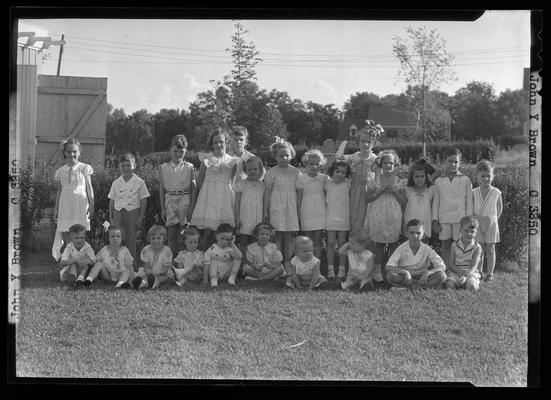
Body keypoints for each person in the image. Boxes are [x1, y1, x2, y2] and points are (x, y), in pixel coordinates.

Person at [191, 128, 239, 251]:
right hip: (208, 199)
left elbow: (232, 181)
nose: (218, 145)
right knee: (207, 233)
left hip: (224, 199)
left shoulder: (232, 161)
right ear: (212, 144)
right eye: (215, 142)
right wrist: (204, 198)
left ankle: (225, 262)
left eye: (221, 142)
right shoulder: (206, 159)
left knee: (225, 232)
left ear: (226, 142)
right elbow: (200, 180)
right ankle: (205, 261)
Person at [364, 150, 408, 283]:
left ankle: (391, 268)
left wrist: (396, 192)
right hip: (378, 215)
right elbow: (367, 198)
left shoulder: (399, 181)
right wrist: (377, 192)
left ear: (395, 164)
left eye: (391, 163)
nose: (388, 165)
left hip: (393, 215)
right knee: (378, 244)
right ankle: (377, 271)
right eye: (385, 162)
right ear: (380, 164)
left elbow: (404, 200)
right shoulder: (374, 180)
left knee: (394, 242)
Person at [263, 137, 301, 286]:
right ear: (275, 157)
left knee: (289, 236)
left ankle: (288, 263)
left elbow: (299, 193)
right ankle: (278, 264)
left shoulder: (296, 172)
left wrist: (298, 210)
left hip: (290, 206)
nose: (284, 158)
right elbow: (267, 191)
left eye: (287, 155)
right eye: (280, 156)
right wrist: (265, 210)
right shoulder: (271, 172)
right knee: (277, 235)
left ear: (291, 155)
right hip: (276, 206)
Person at [52, 138, 94, 261]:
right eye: (69, 152)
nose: (72, 154)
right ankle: (68, 256)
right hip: (65, 203)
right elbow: (59, 190)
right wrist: (56, 208)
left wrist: (91, 205)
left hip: (80, 203)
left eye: (75, 151)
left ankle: (80, 255)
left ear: (79, 152)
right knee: (65, 229)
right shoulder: (61, 171)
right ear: (65, 153)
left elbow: (89, 187)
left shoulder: (84, 168)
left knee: (79, 229)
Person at [432, 147, 473, 270]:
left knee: (459, 246)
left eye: (456, 162)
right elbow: (436, 202)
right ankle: (445, 269)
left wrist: (469, 219)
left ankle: (460, 269)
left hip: (460, 219)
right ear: (444, 161)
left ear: (460, 163)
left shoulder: (466, 180)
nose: (453, 164)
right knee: (445, 246)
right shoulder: (439, 181)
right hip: (444, 218)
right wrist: (435, 219)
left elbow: (469, 201)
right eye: (450, 161)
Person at [159, 134, 197, 256]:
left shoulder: (189, 167)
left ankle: (183, 261)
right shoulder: (163, 167)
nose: (178, 154)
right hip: (170, 201)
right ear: (170, 149)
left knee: (182, 235)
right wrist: (162, 208)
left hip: (184, 201)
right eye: (175, 151)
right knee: (171, 235)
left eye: (181, 151)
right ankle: (172, 262)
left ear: (185, 151)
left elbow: (193, 188)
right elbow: (162, 189)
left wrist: (191, 208)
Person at [340, 120, 382, 230]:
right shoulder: (352, 159)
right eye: (363, 141)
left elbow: (379, 181)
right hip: (353, 192)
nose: (365, 144)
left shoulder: (375, 161)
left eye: (369, 142)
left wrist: (376, 192)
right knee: (353, 220)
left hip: (369, 194)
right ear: (358, 142)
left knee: (367, 222)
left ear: (373, 143)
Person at [108, 153, 150, 261]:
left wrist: (141, 217)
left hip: (133, 212)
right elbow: (112, 201)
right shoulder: (116, 182)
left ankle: (131, 265)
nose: (126, 168)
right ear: (119, 167)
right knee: (117, 238)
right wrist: (111, 217)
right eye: (123, 166)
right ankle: (116, 262)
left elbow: (143, 200)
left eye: (128, 165)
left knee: (131, 238)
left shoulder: (139, 182)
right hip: (118, 212)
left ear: (134, 165)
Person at [385, 219, 447, 291]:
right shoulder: (401, 248)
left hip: (422, 277)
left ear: (423, 234)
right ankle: (422, 287)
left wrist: (428, 273)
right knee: (390, 275)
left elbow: (442, 266)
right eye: (411, 232)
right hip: (406, 277)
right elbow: (388, 267)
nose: (415, 235)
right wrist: (405, 272)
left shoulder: (427, 249)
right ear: (407, 233)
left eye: (418, 233)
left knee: (442, 275)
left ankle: (407, 288)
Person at [473, 160, 503, 282]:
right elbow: (471, 208)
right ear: (477, 177)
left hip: (491, 224)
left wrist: (493, 220)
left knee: (490, 249)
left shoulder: (496, 192)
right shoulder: (474, 192)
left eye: (488, 176)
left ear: (493, 177)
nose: (486, 179)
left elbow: (499, 208)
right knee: (479, 249)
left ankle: (490, 273)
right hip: (477, 225)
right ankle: (479, 271)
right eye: (483, 176)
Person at [234, 156, 266, 270]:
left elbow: (265, 202)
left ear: (260, 170)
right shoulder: (241, 184)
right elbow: (236, 203)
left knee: (255, 243)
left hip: (257, 218)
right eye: (249, 169)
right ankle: (243, 265)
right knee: (244, 242)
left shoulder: (263, 186)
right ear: (245, 170)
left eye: (255, 169)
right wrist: (237, 218)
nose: (252, 171)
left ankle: (255, 265)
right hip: (244, 217)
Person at [297, 149, 328, 262]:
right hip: (306, 210)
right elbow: (299, 197)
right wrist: (298, 213)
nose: (314, 166)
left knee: (318, 239)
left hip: (320, 209)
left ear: (321, 165)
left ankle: (317, 263)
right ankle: (308, 263)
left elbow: (326, 195)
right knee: (308, 240)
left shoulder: (324, 178)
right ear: (306, 163)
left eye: (317, 164)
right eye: (311, 164)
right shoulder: (301, 178)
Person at [325, 160, 352, 279]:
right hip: (330, 217)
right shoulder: (327, 183)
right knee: (330, 243)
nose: (340, 174)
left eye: (343, 172)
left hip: (343, 217)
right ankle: (330, 268)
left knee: (342, 243)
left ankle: (342, 268)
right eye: (337, 171)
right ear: (332, 171)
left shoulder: (348, 183)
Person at [84, 225, 134, 289]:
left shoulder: (125, 251)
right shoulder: (104, 250)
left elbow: (130, 266)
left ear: (122, 238)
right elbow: (95, 262)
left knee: (127, 271)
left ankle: (120, 284)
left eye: (118, 236)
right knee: (99, 263)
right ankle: (89, 280)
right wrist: (88, 261)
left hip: (120, 274)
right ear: (108, 238)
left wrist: (130, 280)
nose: (115, 238)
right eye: (112, 236)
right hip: (107, 275)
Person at [445, 216, 483, 292]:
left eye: (472, 231)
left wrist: (466, 276)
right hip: (456, 271)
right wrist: (460, 272)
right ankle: (460, 283)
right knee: (449, 285)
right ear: (460, 230)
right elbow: (451, 264)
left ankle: (467, 283)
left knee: (472, 287)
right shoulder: (454, 245)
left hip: (470, 272)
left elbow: (474, 266)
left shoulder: (477, 247)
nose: (469, 234)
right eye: (466, 230)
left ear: (476, 233)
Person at [403, 159, 436, 240]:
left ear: (426, 176)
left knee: (424, 248)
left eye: (422, 176)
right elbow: (403, 208)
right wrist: (403, 226)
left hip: (425, 223)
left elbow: (433, 208)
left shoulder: (431, 190)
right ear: (412, 177)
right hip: (410, 223)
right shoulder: (408, 190)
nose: (419, 179)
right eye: (416, 176)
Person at [133, 225, 173, 290]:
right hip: (151, 271)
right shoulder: (146, 249)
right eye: (153, 238)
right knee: (143, 273)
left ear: (164, 239)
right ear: (149, 239)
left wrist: (156, 275)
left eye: (159, 238)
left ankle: (156, 282)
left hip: (162, 273)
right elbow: (146, 266)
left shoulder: (167, 250)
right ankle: (143, 282)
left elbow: (165, 270)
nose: (156, 241)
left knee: (166, 277)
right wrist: (148, 272)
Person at [204, 223, 243, 288]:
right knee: (214, 261)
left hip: (226, 273)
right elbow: (206, 265)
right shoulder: (212, 248)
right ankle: (214, 280)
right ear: (216, 236)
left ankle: (231, 278)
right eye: (222, 239)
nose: (224, 242)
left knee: (237, 259)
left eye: (227, 240)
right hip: (215, 273)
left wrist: (233, 244)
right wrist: (205, 279)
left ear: (231, 238)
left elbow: (240, 257)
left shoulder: (230, 248)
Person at [58, 223, 96, 289]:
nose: (79, 240)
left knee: (86, 263)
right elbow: (62, 262)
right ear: (71, 238)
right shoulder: (69, 247)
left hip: (85, 271)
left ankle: (80, 280)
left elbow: (94, 261)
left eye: (82, 238)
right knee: (73, 264)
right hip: (70, 271)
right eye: (76, 238)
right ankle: (73, 278)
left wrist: (87, 261)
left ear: (85, 237)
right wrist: (73, 260)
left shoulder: (88, 247)